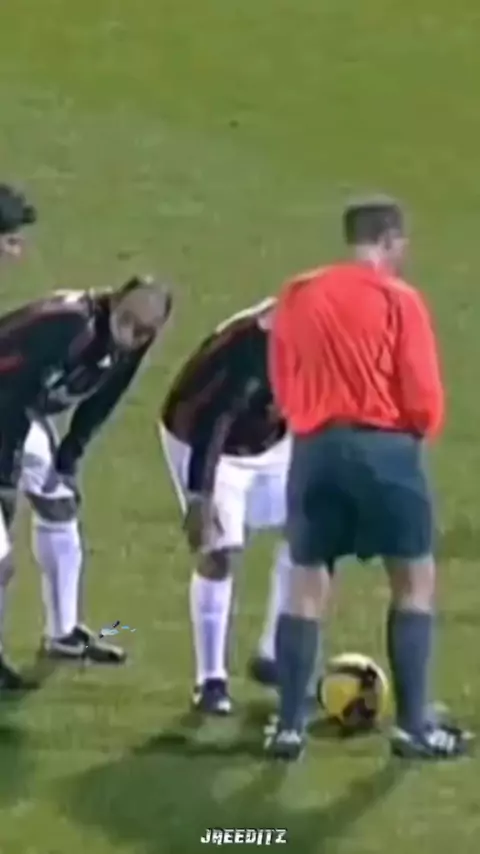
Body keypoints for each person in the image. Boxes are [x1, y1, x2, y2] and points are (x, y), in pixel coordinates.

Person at [265, 196, 472, 760]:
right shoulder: (398, 299)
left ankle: (288, 726)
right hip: (384, 449)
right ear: (389, 239)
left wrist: (307, 421)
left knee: (306, 583)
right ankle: (413, 727)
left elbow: (282, 375)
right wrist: (415, 433)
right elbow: (422, 392)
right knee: (413, 580)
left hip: (313, 449)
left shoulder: (297, 293)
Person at [0, 251, 172, 686]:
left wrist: (69, 457)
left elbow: (105, 397)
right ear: (115, 300)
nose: (132, 334)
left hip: (20, 416)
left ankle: (63, 634)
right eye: (129, 321)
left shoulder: (131, 340)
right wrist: (5, 477)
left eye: (144, 330)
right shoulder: (68, 325)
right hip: (6, 411)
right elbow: (12, 395)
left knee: (59, 505)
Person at [157, 299, 294, 714]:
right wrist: (200, 497)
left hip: (271, 439)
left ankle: (274, 654)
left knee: (308, 531)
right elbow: (213, 422)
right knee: (218, 551)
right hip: (206, 443)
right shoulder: (246, 352)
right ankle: (210, 681)